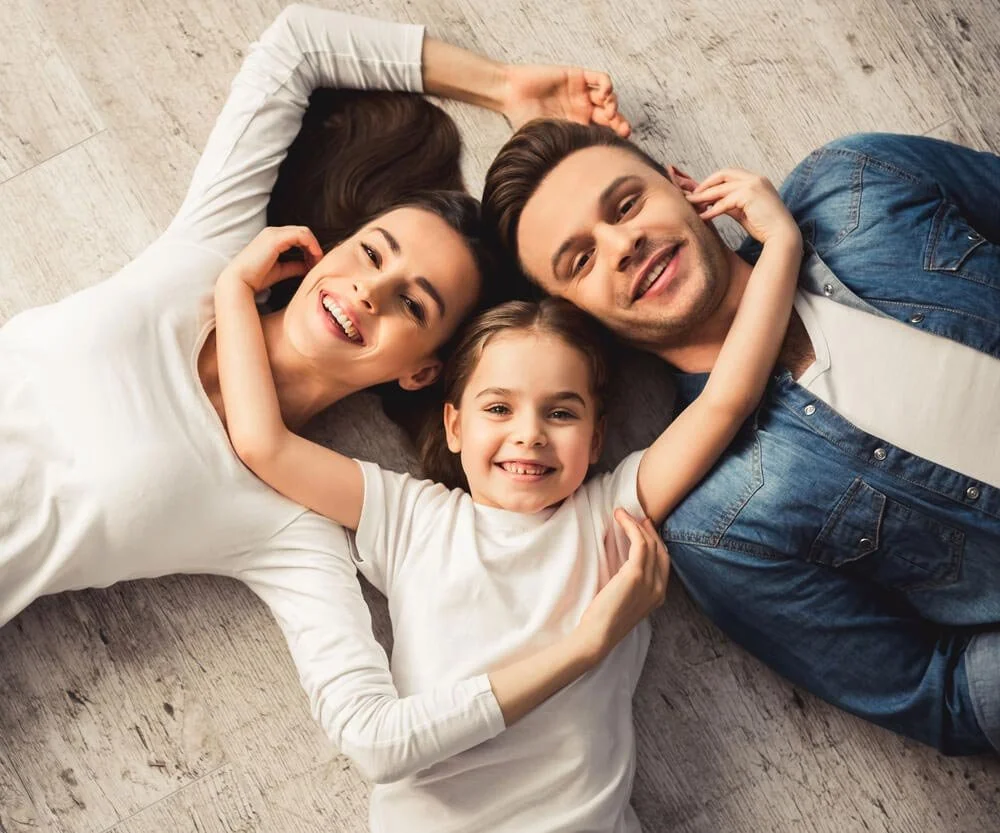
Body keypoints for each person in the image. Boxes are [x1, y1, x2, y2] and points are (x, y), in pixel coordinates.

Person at [0, 4, 638, 784]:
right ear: (330, 246)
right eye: (372, 251)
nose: (369, 289)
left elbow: (377, 740)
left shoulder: (287, 523)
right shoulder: (203, 255)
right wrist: (503, 86)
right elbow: (296, 45)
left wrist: (585, 645)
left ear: (421, 371)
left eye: (414, 303)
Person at [210, 163, 801, 829]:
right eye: (499, 407)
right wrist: (233, 290)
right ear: (455, 424)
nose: (529, 436)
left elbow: (726, 398)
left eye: (561, 412)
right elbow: (262, 443)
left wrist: (780, 243)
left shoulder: (611, 516)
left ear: (597, 432)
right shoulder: (409, 517)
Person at [480, 120, 1000, 756]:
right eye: (582, 260)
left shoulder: (859, 183)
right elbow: (938, 695)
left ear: (682, 187)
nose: (623, 243)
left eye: (627, 204)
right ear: (578, 320)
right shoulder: (719, 524)